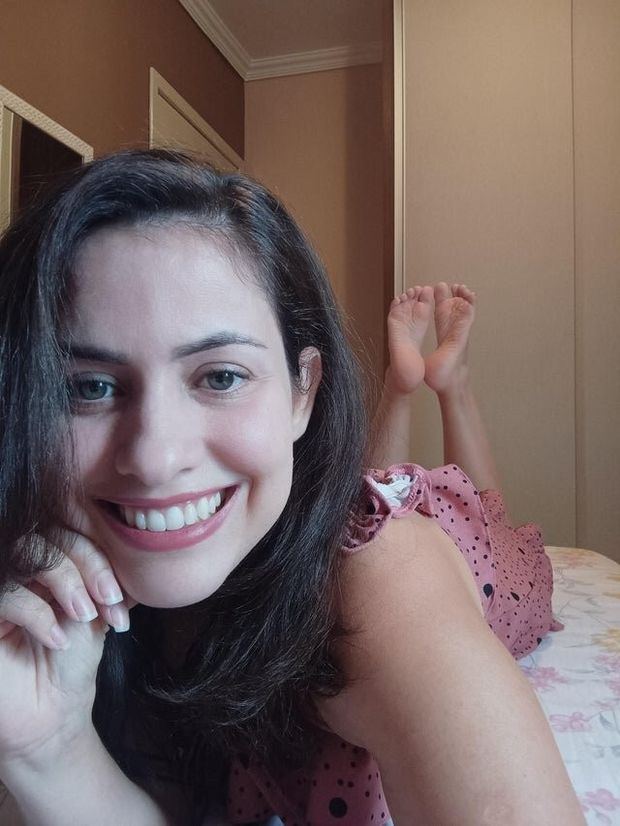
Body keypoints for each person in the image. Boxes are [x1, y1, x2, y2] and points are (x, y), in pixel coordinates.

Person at [0, 150, 584, 826]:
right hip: (340, 506)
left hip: (477, 559)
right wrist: (49, 749)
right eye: (89, 388)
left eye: (220, 377)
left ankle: (449, 385)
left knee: (489, 516)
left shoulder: (381, 580)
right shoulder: (43, 584)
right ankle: (404, 389)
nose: (155, 459)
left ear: (303, 392)